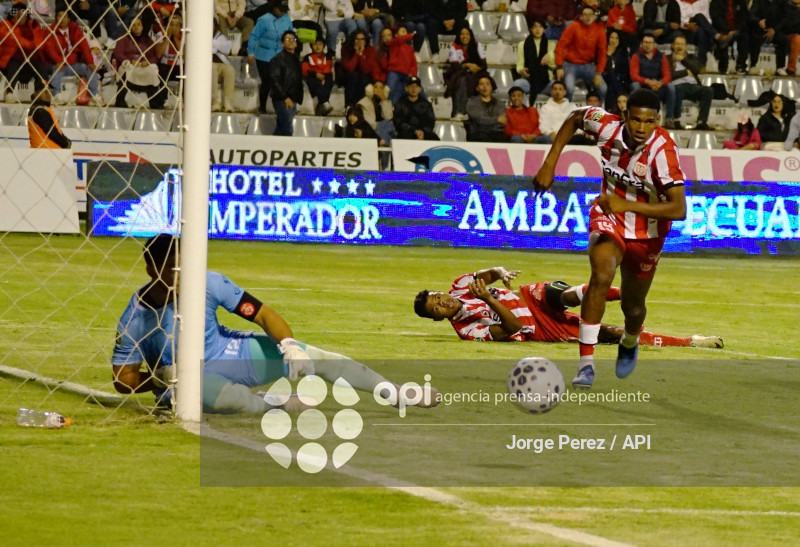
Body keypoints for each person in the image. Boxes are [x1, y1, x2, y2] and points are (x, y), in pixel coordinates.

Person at [112, 235, 438, 414]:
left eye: (183, 265)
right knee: (230, 402)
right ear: (150, 268)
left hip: (229, 351)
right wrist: (159, 381)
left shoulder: (208, 283)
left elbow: (264, 314)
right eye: (171, 268)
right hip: (186, 382)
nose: (180, 275)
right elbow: (122, 380)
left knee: (321, 358)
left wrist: (290, 346)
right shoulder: (135, 316)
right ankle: (271, 403)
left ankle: (396, 392)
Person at [532, 88, 688, 388]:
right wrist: (550, 162)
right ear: (624, 116)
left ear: (658, 120)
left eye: (649, 121)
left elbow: (679, 208)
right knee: (601, 274)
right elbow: (575, 117)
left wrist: (626, 204)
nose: (641, 128)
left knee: (633, 306)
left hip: (648, 232)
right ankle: (586, 366)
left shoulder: (663, 151)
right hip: (609, 216)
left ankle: (630, 339)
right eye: (635, 120)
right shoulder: (606, 125)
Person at [414, 267, 723, 348]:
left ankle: (623, 292)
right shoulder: (467, 331)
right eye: (437, 308)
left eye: (437, 296)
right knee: (611, 334)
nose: (443, 302)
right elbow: (513, 329)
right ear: (438, 319)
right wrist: (489, 299)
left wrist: (499, 272)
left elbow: (489, 274)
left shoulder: (459, 285)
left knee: (558, 293)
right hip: (540, 329)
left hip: (528, 298)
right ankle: (690, 341)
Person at [46, 4, 103, 106]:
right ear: (56, 18)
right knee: (57, 70)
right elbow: (51, 50)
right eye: (59, 16)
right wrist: (59, 61)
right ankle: (57, 96)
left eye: (64, 17)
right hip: (59, 64)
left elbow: (84, 46)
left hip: (73, 64)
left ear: (68, 19)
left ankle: (95, 96)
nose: (62, 19)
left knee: (90, 69)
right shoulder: (51, 31)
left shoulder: (75, 29)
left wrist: (90, 62)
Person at [553, 5, 608, 104]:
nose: (588, 17)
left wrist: (599, 72)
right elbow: (560, 46)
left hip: (588, 65)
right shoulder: (573, 26)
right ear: (581, 17)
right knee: (569, 89)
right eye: (585, 15)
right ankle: (566, 113)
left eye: (590, 14)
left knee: (603, 88)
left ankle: (600, 113)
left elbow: (602, 53)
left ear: (594, 16)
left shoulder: (599, 30)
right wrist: (559, 66)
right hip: (570, 64)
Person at [248, 0, 293, 113]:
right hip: (264, 55)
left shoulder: (287, 19)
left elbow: (291, 34)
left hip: (280, 55)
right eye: (280, 10)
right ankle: (262, 107)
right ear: (274, 8)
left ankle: (285, 107)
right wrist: (250, 52)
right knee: (267, 81)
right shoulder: (264, 20)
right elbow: (254, 36)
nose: (282, 12)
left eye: (284, 10)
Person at [630, 33, 678, 129]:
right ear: (642, 43)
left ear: (654, 44)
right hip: (643, 86)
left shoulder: (661, 57)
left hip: (657, 86)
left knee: (671, 87)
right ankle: (636, 115)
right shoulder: (636, 56)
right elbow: (634, 75)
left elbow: (667, 75)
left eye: (650, 42)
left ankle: (669, 118)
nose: (647, 45)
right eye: (645, 42)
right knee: (634, 85)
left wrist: (660, 83)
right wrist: (648, 81)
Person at [113, 17, 163, 108]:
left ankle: (155, 102)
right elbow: (118, 53)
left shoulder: (148, 40)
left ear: (142, 26)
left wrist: (148, 62)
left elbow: (154, 56)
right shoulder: (124, 38)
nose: (136, 27)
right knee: (127, 69)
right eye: (134, 25)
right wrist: (130, 61)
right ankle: (120, 100)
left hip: (143, 66)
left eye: (138, 24)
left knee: (152, 69)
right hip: (130, 65)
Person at [668, 34, 714, 130]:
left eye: (681, 44)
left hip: (693, 86)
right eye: (677, 44)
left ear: (686, 47)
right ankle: (676, 120)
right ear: (672, 46)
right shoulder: (667, 59)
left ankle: (702, 121)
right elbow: (668, 76)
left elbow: (697, 70)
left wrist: (683, 60)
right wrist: (685, 72)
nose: (679, 46)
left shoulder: (691, 58)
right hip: (677, 86)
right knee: (679, 89)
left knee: (708, 91)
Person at [444, 25, 487, 120]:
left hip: (476, 72)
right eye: (462, 34)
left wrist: (476, 67)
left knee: (484, 82)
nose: (464, 37)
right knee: (462, 80)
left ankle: (480, 113)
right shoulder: (454, 46)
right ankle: (459, 111)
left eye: (467, 34)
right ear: (458, 36)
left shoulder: (477, 45)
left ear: (470, 36)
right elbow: (455, 66)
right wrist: (466, 65)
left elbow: (484, 65)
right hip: (459, 72)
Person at [512, 18, 555, 101]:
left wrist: (549, 59)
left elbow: (554, 66)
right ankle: (524, 111)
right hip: (529, 80)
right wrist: (521, 70)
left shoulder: (551, 44)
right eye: (535, 27)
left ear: (544, 29)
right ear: (531, 29)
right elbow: (520, 64)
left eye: (540, 27)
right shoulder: (523, 44)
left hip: (546, 81)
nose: (537, 29)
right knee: (517, 84)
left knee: (556, 86)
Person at [269, 30, 303, 136]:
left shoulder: (296, 59)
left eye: (293, 39)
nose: (291, 41)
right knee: (286, 130)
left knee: (281, 129)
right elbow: (274, 80)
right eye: (288, 39)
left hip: (292, 98)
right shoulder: (277, 59)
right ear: (282, 43)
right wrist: (285, 98)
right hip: (282, 99)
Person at [748, 0, 789, 76]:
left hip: (776, 29)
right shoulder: (759, 1)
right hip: (760, 29)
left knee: (783, 40)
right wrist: (758, 21)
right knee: (754, 38)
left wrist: (774, 29)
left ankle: (780, 67)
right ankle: (753, 65)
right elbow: (751, 14)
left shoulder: (783, 2)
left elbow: (786, 18)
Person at [339, 29, 379, 106]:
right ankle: (349, 106)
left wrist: (361, 55)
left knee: (363, 77)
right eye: (357, 39)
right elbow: (349, 67)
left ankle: (360, 105)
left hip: (364, 76)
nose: (359, 41)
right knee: (353, 76)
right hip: (347, 76)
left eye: (362, 39)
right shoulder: (346, 49)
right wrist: (356, 54)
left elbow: (366, 69)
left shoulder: (370, 50)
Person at [28, 78, 71, 149]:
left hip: (46, 150)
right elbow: (52, 133)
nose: (48, 93)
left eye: (50, 90)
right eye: (45, 91)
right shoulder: (39, 111)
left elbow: (55, 130)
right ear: (37, 92)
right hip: (46, 151)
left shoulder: (40, 109)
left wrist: (66, 140)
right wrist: (66, 143)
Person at [393, 75, 438, 140]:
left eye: (416, 86)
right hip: (407, 133)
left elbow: (430, 121)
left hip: (424, 133)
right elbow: (398, 122)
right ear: (406, 88)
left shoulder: (426, 104)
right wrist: (414, 131)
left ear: (420, 89)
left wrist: (422, 132)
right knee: (402, 136)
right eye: (411, 86)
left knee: (434, 138)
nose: (414, 89)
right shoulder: (400, 103)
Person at [709, 0, 749, 75]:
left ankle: (741, 66)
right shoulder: (715, 2)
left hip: (737, 30)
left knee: (745, 36)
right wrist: (728, 30)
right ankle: (723, 66)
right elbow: (716, 19)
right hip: (722, 29)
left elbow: (745, 18)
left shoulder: (741, 2)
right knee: (722, 38)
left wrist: (736, 30)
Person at [676, 0, 719, 68]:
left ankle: (701, 64)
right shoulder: (677, 2)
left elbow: (708, 19)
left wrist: (702, 25)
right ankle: (716, 36)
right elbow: (676, 20)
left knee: (700, 29)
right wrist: (687, 25)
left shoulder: (704, 1)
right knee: (699, 16)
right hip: (685, 31)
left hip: (701, 30)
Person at [466, 73, 507, 142]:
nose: (485, 87)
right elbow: (480, 120)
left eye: (487, 84)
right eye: (481, 84)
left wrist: (490, 122)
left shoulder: (499, 103)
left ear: (491, 87)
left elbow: (502, 120)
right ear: (477, 88)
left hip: (496, 132)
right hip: (478, 132)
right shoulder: (472, 103)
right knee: (482, 136)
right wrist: (497, 120)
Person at [301, 37, 334, 116]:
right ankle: (325, 103)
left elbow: (328, 69)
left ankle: (321, 105)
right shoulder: (307, 57)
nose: (318, 46)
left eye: (320, 44)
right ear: (311, 46)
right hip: (313, 78)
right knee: (314, 82)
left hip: (325, 77)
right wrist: (316, 74)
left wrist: (322, 77)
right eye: (315, 44)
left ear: (323, 46)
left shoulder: (327, 57)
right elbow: (305, 70)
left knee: (328, 83)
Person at [212, 18, 236, 112]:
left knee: (230, 69)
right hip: (209, 64)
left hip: (221, 63)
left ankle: (228, 103)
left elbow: (226, 48)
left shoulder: (220, 36)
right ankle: (215, 102)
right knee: (212, 69)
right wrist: (216, 46)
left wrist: (213, 45)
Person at [603, 29, 631, 111]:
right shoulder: (603, 51)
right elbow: (602, 69)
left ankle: (610, 109)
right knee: (611, 82)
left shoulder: (623, 53)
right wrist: (608, 55)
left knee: (613, 85)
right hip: (606, 79)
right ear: (608, 39)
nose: (614, 40)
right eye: (612, 38)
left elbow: (625, 71)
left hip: (620, 81)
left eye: (616, 38)